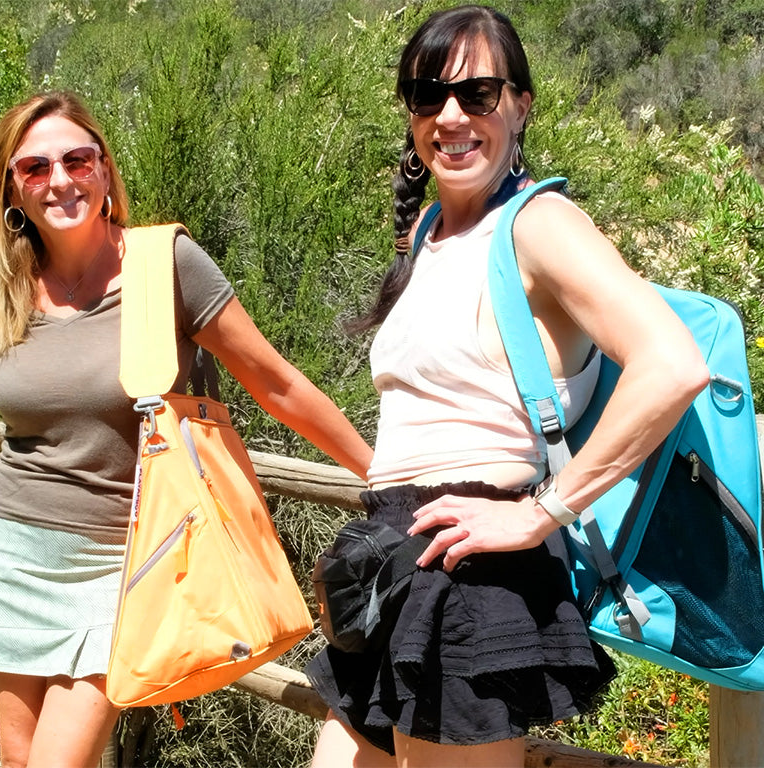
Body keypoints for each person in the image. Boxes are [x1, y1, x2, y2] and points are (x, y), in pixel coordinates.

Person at [305, 6, 709, 767]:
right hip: (396, 563)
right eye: (430, 96)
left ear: (520, 105)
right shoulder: (428, 232)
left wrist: (539, 515)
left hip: (471, 577)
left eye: (478, 94)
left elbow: (673, 363)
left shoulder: (540, 224)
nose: (451, 116)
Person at [0, 90, 373, 768]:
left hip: (125, 560)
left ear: (105, 171)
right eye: (36, 167)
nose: (60, 180)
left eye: (77, 159)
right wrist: (36, 397)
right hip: (15, 547)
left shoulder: (166, 268)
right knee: (17, 761)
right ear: (11, 186)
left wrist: (384, 471)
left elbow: (275, 382)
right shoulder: (1, 284)